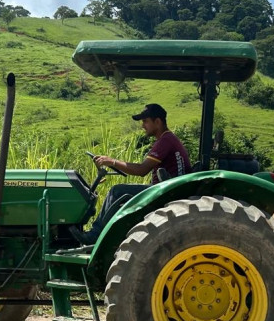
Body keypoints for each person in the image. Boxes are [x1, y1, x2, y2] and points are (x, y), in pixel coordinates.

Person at [70, 103, 191, 245]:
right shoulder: (167, 139)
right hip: (166, 188)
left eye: (145, 121)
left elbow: (141, 170)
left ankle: (94, 235)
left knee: (117, 191)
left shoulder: (165, 140)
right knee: (120, 192)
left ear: (157, 122)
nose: (142, 126)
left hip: (166, 191)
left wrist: (112, 162)